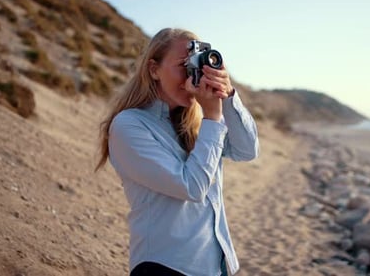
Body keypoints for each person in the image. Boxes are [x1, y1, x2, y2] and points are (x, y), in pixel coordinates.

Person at [95, 28, 259, 276]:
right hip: (166, 265)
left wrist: (227, 96)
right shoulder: (129, 125)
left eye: (196, 65)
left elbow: (247, 150)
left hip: (215, 265)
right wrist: (213, 117)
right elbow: (191, 187)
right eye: (184, 65)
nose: (192, 75)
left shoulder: (198, 124)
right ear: (154, 69)